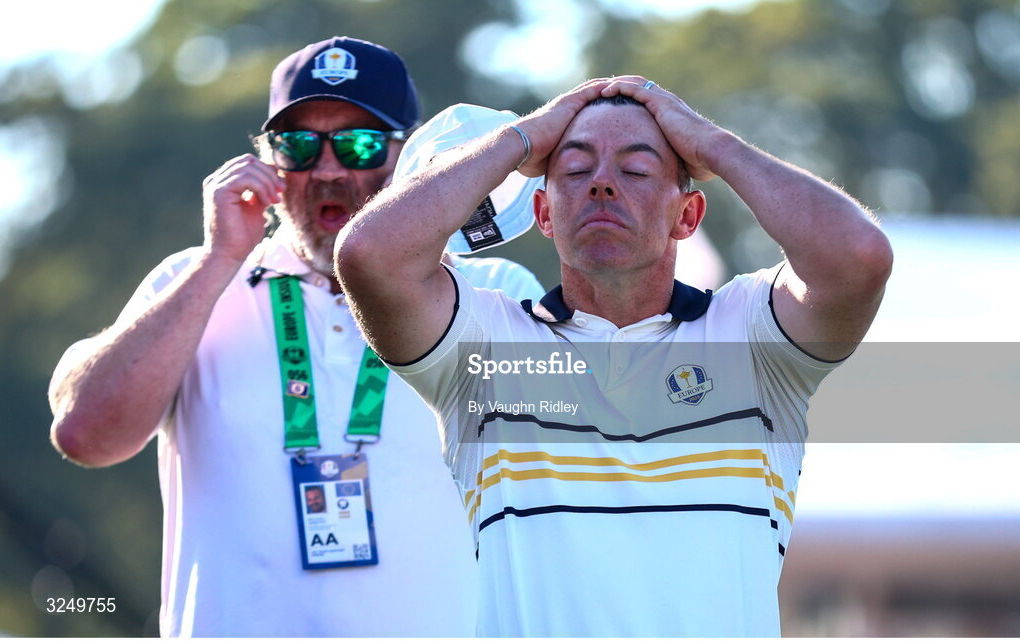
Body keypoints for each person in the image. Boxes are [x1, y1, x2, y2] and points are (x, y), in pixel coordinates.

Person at [335, 76, 893, 636]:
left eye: (635, 170)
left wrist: (713, 146)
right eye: (576, 171)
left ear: (688, 216)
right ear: (544, 214)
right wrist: (522, 139)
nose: (601, 184)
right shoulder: (486, 348)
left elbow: (859, 256)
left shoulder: (751, 337)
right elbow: (369, 255)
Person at [47, 37, 543, 637]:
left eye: (359, 144)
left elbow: (590, 456)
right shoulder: (196, 280)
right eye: (300, 146)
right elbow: (86, 434)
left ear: (409, 161)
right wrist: (219, 259)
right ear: (269, 163)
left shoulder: (489, 285)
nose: (329, 170)